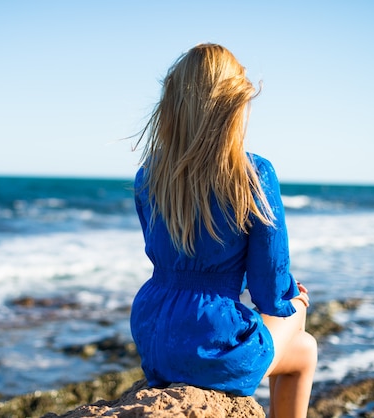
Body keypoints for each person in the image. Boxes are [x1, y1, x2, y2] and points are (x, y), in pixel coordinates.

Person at [130, 43, 317, 418]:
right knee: (305, 342)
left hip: (153, 328)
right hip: (211, 339)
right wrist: (293, 300)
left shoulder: (150, 175)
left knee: (293, 335)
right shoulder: (253, 175)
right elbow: (268, 292)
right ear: (233, 107)